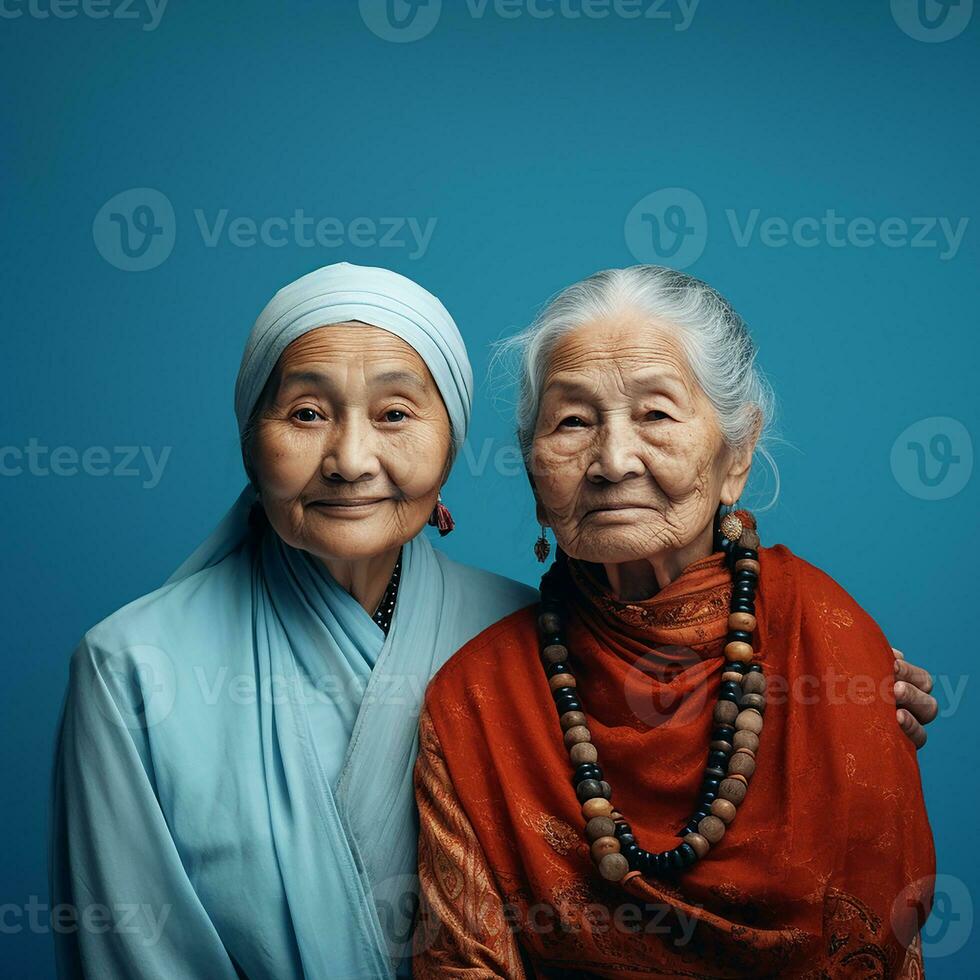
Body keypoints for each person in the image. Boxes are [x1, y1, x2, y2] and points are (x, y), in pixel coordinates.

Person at [413, 266, 936, 978]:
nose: (613, 461)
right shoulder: (477, 697)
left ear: (738, 453)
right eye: (572, 422)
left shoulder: (835, 647)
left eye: (656, 415)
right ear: (534, 472)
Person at [48, 262, 538, 979]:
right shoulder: (130, 669)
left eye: (395, 414)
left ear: (452, 441)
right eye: (307, 413)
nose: (350, 460)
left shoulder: (529, 637)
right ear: (251, 440)